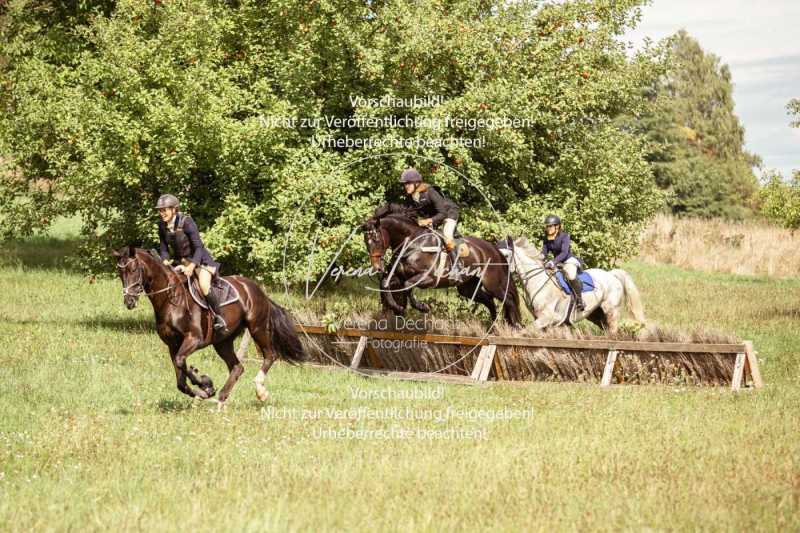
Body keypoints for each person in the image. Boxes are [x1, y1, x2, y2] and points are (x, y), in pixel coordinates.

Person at [155, 194, 228, 332]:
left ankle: (219, 318)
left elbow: (199, 247)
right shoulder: (162, 226)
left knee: (204, 285)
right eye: (160, 210)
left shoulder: (187, 222)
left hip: (200, 261)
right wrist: (164, 261)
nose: (162, 213)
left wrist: (192, 266)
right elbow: (163, 248)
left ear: (174, 209)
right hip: (180, 262)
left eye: (164, 210)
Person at [399, 168, 462, 280]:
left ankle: (457, 268)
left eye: (408, 184)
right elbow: (408, 214)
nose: (406, 186)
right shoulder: (410, 198)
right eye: (405, 184)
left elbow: (442, 213)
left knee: (447, 235)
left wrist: (428, 221)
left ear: (416, 183)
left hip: (448, 214)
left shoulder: (430, 192)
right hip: (434, 217)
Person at [540, 214, 585, 310]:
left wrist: (553, 261)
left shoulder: (565, 236)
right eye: (547, 226)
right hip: (557, 262)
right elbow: (544, 252)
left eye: (550, 226)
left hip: (568, 260)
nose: (548, 228)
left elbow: (564, 252)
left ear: (557, 226)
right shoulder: (546, 238)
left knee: (571, 275)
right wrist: (539, 258)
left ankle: (579, 300)